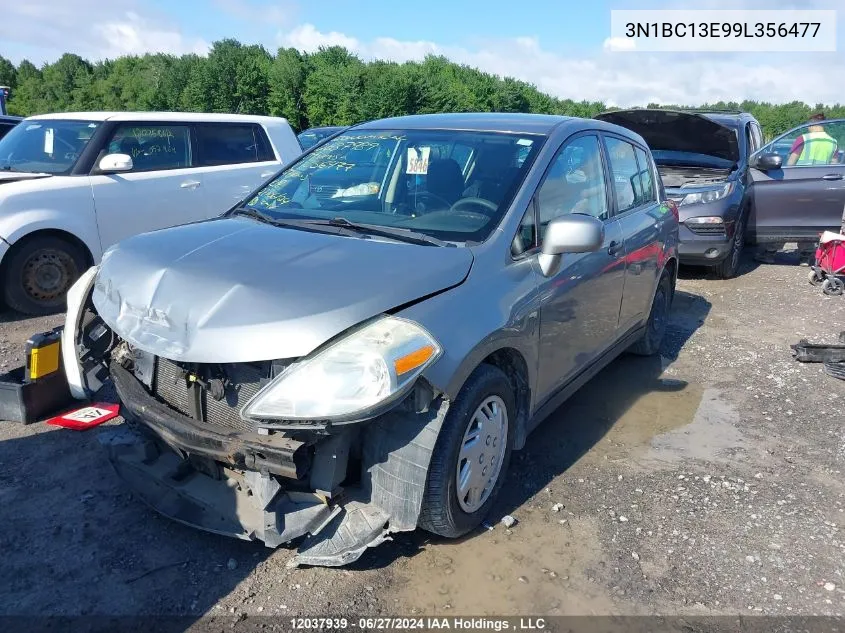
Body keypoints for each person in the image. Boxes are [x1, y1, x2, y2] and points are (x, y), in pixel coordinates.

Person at [756, 113, 837, 265]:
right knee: (809, 221)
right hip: (820, 188)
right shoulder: (833, 142)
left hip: (799, 185)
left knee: (785, 219)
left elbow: (790, 164)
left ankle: (769, 253)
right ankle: (806, 257)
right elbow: (834, 166)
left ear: (811, 125)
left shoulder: (803, 139)